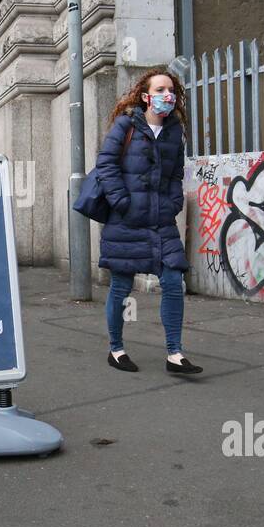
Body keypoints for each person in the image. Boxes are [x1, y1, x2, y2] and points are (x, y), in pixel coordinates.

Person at [95, 68, 202, 375]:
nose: (167, 95)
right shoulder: (126, 124)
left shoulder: (173, 131)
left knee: (173, 281)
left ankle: (175, 354)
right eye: (160, 90)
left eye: (171, 90)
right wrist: (122, 202)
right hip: (126, 220)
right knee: (121, 286)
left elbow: (176, 174)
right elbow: (106, 165)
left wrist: (173, 204)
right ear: (145, 96)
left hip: (160, 220)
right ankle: (116, 349)